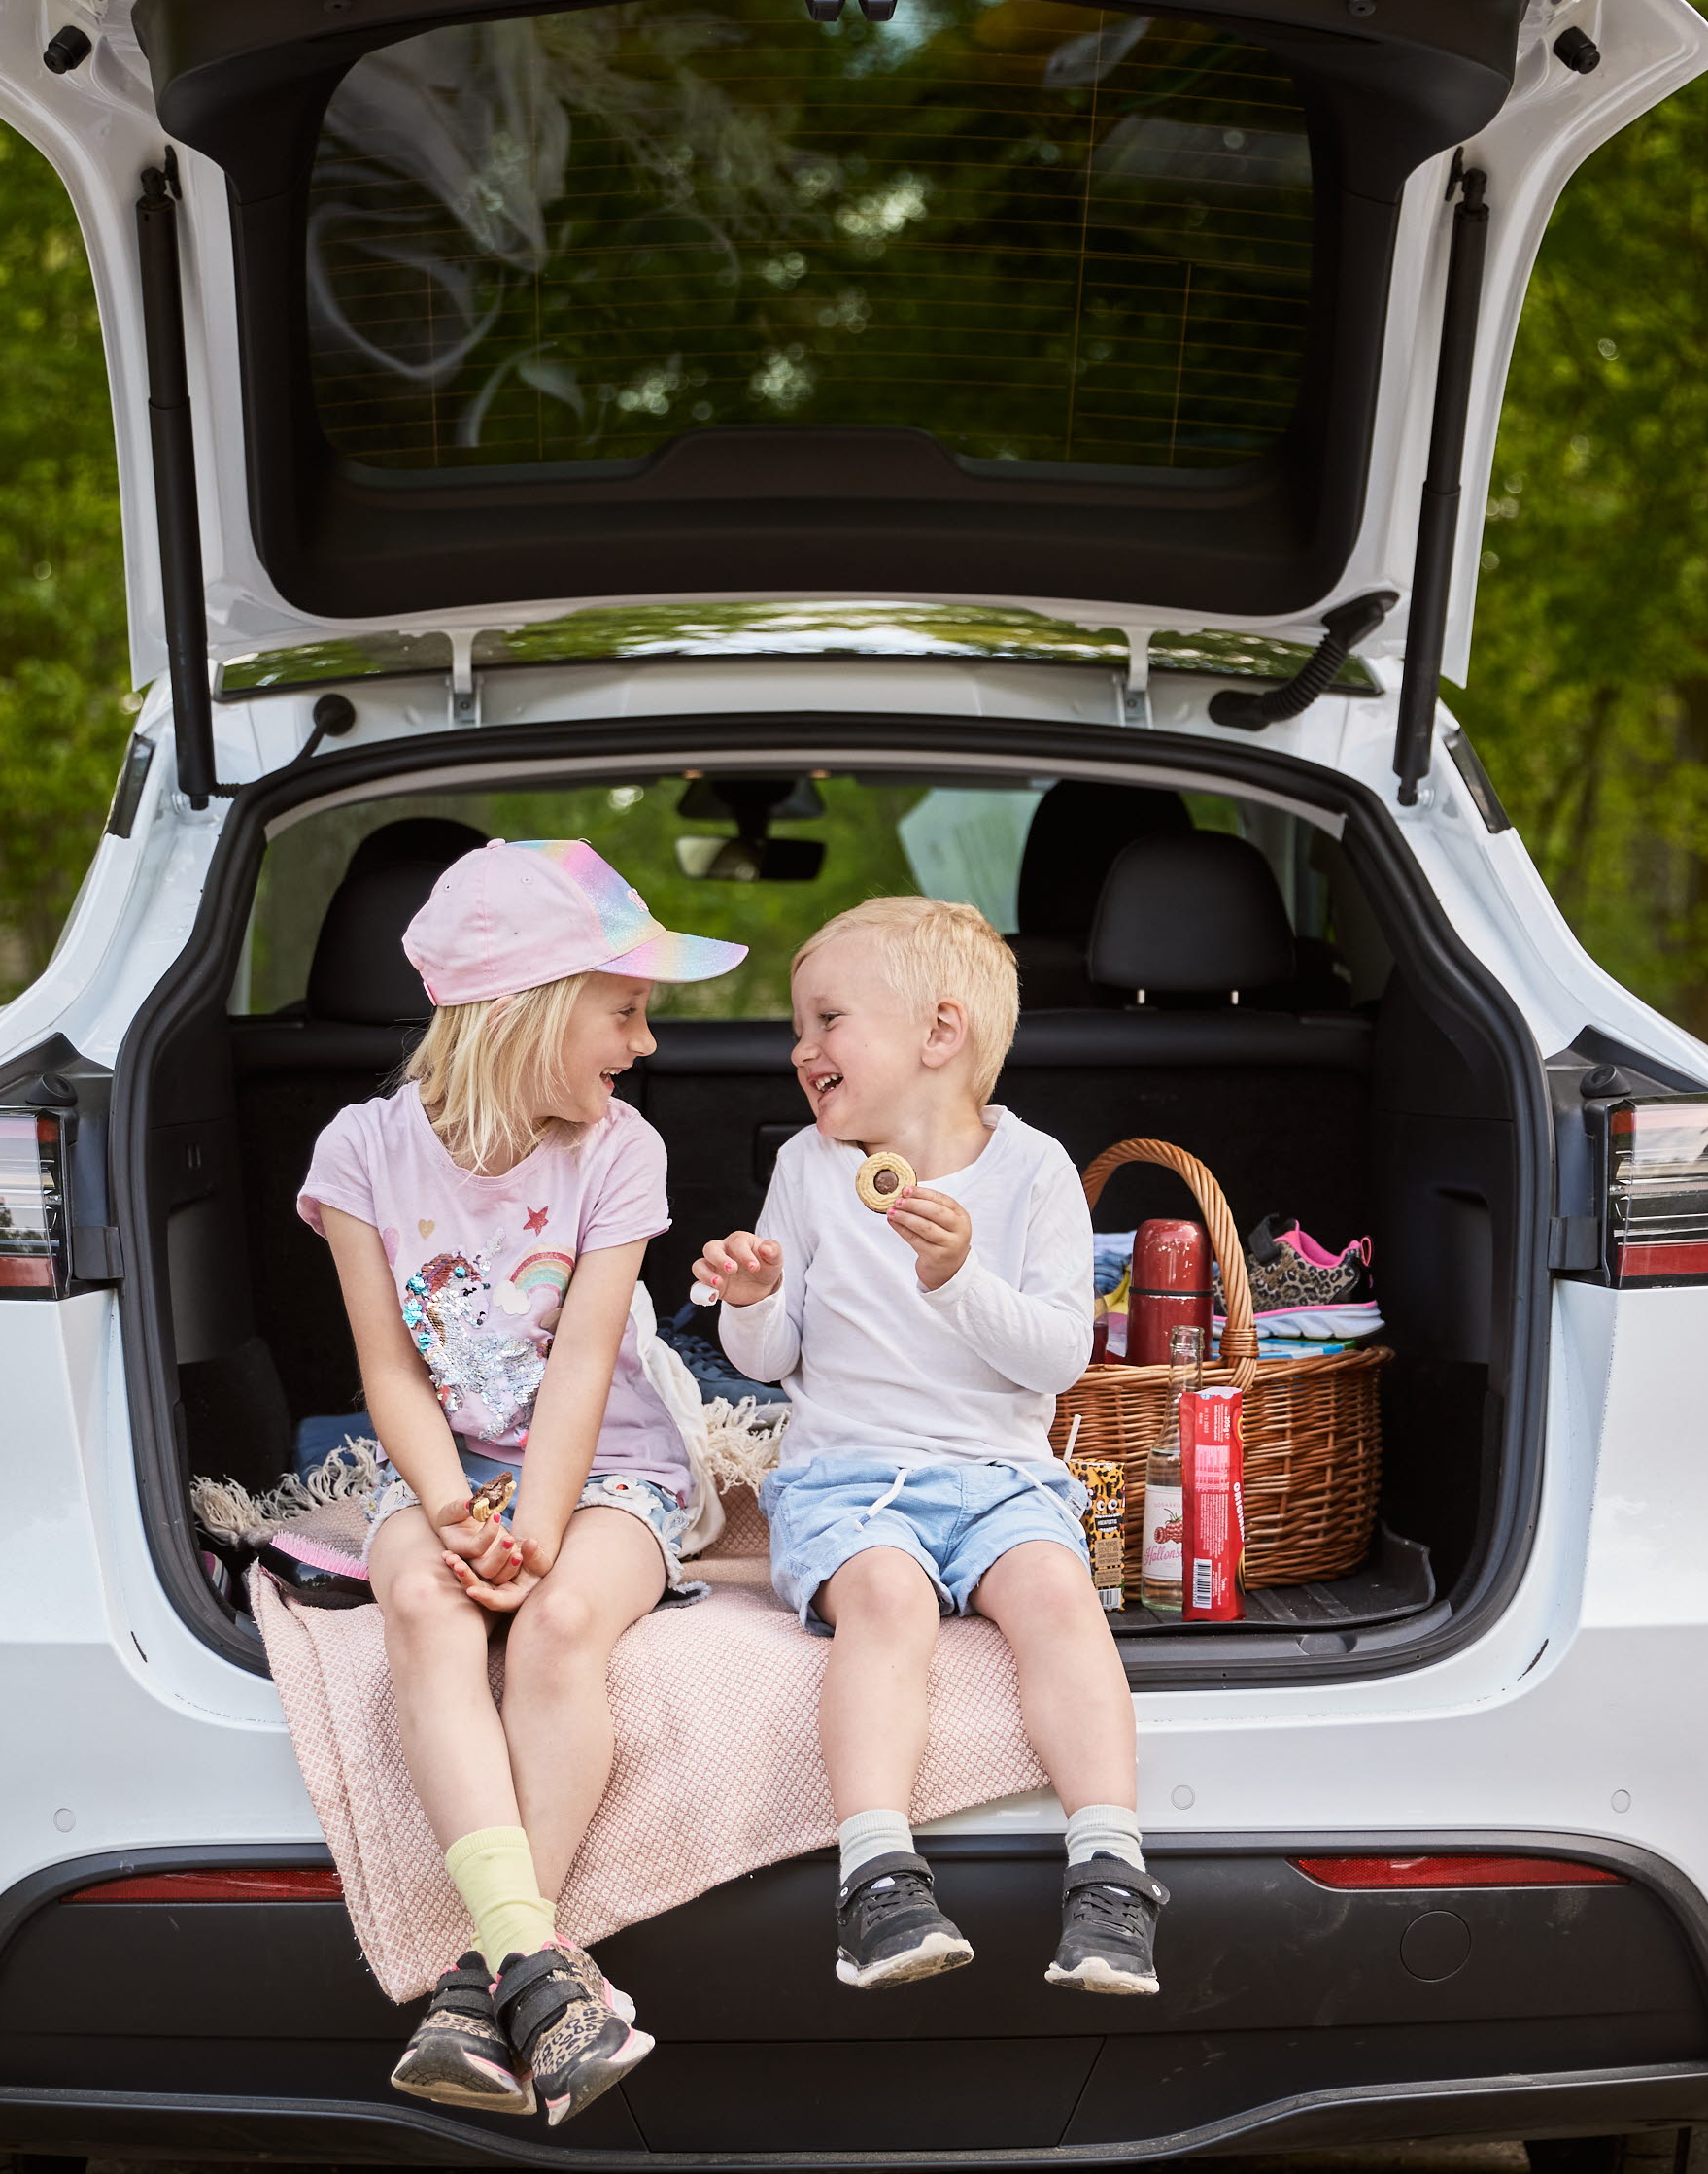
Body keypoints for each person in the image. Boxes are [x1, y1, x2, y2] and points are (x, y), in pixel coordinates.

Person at [300, 837, 744, 2124]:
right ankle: (538, 1970)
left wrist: (537, 1532)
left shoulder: (620, 1151)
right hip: (441, 1465)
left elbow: (588, 1366)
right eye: (626, 1007)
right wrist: (449, 1514)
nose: (646, 1041)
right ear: (529, 1005)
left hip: (605, 1465)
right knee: (427, 1613)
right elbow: (387, 1372)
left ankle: (475, 1983)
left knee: (554, 1629)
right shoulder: (363, 1152)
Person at [694, 896, 1168, 1997]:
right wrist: (753, 1300)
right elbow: (769, 1361)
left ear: (937, 1034)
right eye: (796, 1031)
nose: (801, 1051)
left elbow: (1053, 1356)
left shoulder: (1033, 1171)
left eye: (825, 1020)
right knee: (887, 1601)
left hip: (1001, 1477)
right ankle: (875, 1877)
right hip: (849, 1476)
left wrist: (960, 1278)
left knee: (1058, 1596)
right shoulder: (813, 1169)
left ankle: (1109, 1870)